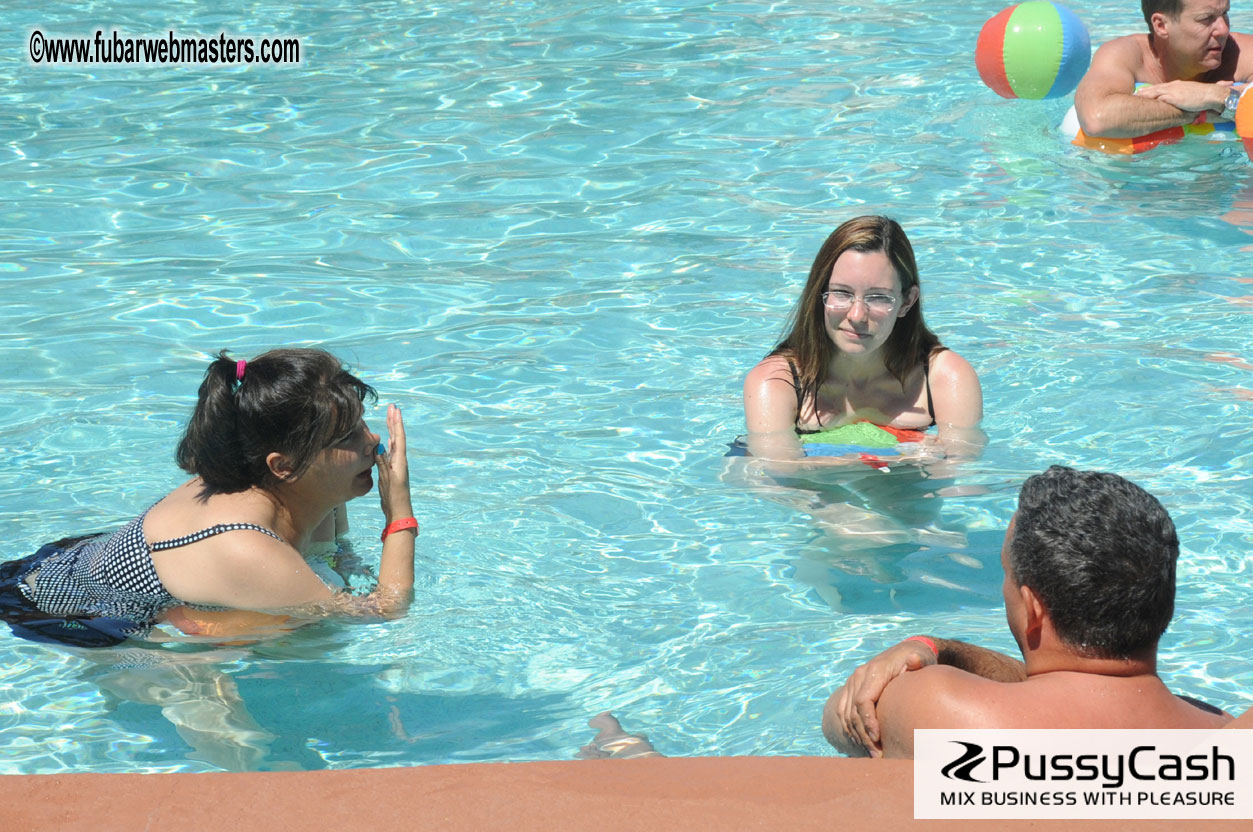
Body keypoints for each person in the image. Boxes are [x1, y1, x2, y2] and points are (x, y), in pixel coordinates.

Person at [0, 348, 416, 647]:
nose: (372, 440)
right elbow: (386, 611)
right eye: (347, 437)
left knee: (287, 626)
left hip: (85, 563)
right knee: (225, 708)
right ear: (282, 465)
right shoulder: (243, 544)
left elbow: (335, 557)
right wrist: (399, 511)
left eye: (362, 424)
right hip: (76, 613)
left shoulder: (307, 484)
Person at [822, 466, 1233, 759]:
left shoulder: (935, 708)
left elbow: (839, 719)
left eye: (1005, 573)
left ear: (1033, 607)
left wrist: (936, 648)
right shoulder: (1226, 741)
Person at [741, 216, 982, 462]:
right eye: (842, 293)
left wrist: (825, 457)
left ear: (906, 301)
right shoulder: (776, 382)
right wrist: (897, 452)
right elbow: (780, 479)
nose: (857, 315)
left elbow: (960, 478)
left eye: (878, 297)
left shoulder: (943, 376)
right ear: (819, 294)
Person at [1074, 0, 1253, 138]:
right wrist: (1200, 110)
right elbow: (1096, 118)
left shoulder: (1242, 52)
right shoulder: (1126, 55)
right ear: (1161, 25)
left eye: (1225, 13)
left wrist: (1215, 96)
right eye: (1206, 19)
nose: (1223, 29)